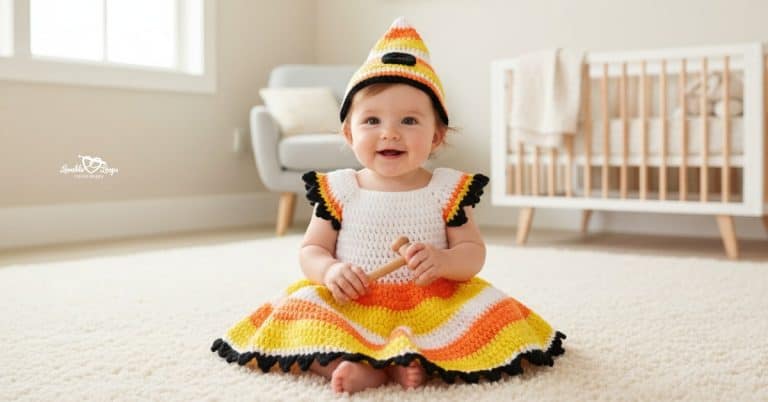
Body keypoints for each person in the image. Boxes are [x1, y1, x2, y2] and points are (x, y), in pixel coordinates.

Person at [211, 17, 565, 394]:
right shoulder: (339, 189)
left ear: (436, 136)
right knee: (304, 319)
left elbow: (472, 252)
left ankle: (405, 363)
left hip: (429, 301)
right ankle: (364, 367)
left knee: (477, 328)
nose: (390, 132)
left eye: (410, 120)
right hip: (354, 298)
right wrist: (330, 271)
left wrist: (444, 261)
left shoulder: (446, 189)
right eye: (372, 120)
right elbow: (312, 249)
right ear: (349, 134)